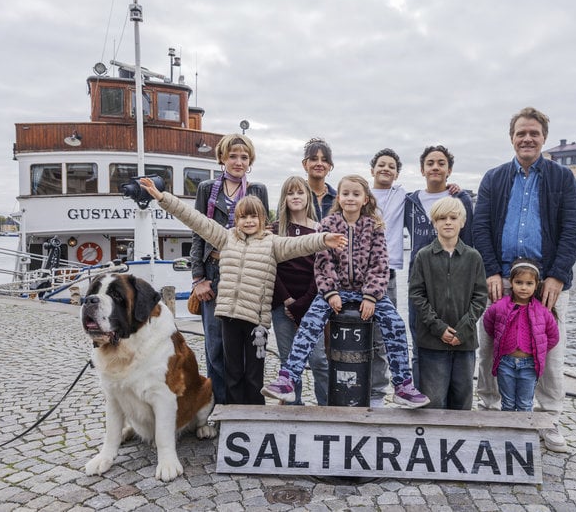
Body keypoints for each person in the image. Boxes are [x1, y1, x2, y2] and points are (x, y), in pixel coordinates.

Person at [139, 178, 347, 405]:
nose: (248, 221)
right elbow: (195, 220)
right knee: (233, 371)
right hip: (229, 316)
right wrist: (163, 198)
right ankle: (234, 414)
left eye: (253, 216)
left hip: (257, 321)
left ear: (262, 220)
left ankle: (255, 416)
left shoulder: (273, 243)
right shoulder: (225, 238)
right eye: (243, 217)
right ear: (236, 220)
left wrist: (324, 239)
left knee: (253, 374)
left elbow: (300, 244)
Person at [262, 175, 430, 408]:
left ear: (365, 199)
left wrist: (371, 295)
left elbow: (380, 264)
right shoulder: (328, 225)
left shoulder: (374, 227)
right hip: (335, 290)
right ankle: (288, 378)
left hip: (365, 292)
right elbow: (323, 263)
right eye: (346, 194)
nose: (350, 198)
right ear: (338, 198)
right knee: (309, 323)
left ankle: (402, 385)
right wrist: (330, 292)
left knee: (395, 324)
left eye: (356, 194)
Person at [474, 107, 576, 452]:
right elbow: (481, 227)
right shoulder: (494, 178)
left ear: (543, 138)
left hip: (545, 284)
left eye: (534, 133)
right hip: (502, 280)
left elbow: (571, 230)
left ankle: (548, 418)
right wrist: (490, 270)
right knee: (491, 349)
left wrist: (557, 276)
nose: (527, 139)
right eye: (521, 133)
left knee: (550, 354)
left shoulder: (561, 178)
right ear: (512, 138)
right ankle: (489, 411)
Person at [190, 134, 269, 404]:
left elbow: (264, 236)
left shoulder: (257, 190)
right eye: (233, 156)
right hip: (213, 271)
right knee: (216, 346)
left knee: (249, 345)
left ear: (250, 161)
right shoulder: (206, 189)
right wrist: (198, 278)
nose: (238, 161)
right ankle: (221, 405)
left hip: (246, 275)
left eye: (244, 157)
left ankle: (249, 407)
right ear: (222, 158)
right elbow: (197, 234)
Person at [404, 144, 475, 386]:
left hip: (454, 282)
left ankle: (451, 395)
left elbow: (470, 241)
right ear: (422, 170)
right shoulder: (409, 202)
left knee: (455, 337)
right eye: (430, 163)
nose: (435, 167)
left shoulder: (460, 199)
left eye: (441, 163)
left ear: (449, 169)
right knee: (419, 341)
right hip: (420, 280)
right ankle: (419, 395)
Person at [408, 197, 487, 410]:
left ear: (462, 222)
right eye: (442, 218)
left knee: (462, 399)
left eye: (453, 218)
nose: (448, 222)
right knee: (434, 400)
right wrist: (439, 328)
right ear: (434, 222)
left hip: (465, 342)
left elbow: (480, 297)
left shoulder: (473, 257)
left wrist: (464, 328)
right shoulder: (423, 256)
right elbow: (417, 295)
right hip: (432, 342)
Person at [271, 176, 329, 405]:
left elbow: (321, 271)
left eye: (300, 193)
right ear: (284, 198)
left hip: (311, 304)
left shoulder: (319, 230)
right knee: (288, 361)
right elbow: (270, 268)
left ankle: (327, 408)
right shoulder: (275, 230)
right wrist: (286, 300)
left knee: (319, 360)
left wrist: (302, 303)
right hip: (281, 304)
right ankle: (294, 408)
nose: (295, 197)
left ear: (308, 197)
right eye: (290, 193)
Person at [482, 259, 559, 412]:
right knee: (508, 403)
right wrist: (501, 341)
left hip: (529, 365)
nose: (523, 287)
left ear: (536, 285)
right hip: (506, 363)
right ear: (511, 282)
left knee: (525, 404)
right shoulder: (500, 306)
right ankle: (507, 435)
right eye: (519, 282)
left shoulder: (542, 311)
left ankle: (524, 435)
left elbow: (553, 336)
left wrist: (538, 349)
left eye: (529, 283)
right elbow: (489, 323)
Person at [367, 148, 406, 407]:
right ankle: (353, 385)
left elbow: (432, 197)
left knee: (382, 336)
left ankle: (377, 394)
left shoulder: (403, 196)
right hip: (357, 273)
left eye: (391, 166)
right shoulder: (360, 193)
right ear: (372, 169)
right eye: (381, 165)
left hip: (387, 272)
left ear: (397, 172)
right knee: (355, 331)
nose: (385, 169)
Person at [302, 137, 336, 219]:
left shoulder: (337, 198)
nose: (319, 163)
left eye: (324, 160)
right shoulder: (293, 196)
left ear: (329, 165)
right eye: (314, 159)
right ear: (304, 164)